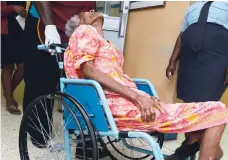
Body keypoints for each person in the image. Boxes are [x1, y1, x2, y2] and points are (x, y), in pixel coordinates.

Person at [64, 10, 228, 160]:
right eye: (84, 14)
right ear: (79, 25)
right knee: (217, 111)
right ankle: (186, 149)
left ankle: (189, 147)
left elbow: (117, 79)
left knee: (209, 122)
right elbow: (89, 71)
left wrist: (145, 96)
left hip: (125, 103)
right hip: (116, 108)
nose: (92, 11)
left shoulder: (106, 44)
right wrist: (138, 97)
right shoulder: (83, 31)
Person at [23, 1, 96, 147]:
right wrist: (50, 27)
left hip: (73, 22)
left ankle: (84, 136)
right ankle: (39, 133)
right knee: (42, 78)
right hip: (43, 20)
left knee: (76, 79)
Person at [166, 1, 228, 159]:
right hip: (189, 59)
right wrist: (172, 60)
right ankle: (195, 144)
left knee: (209, 107)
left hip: (216, 57)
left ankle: (190, 148)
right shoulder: (192, 7)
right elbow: (182, 35)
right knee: (190, 107)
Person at [1, 1, 26, 115]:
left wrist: (24, 13)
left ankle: (8, 93)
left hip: (23, 33)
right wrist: (13, 8)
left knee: (23, 68)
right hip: (6, 33)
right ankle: (9, 102)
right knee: (8, 66)